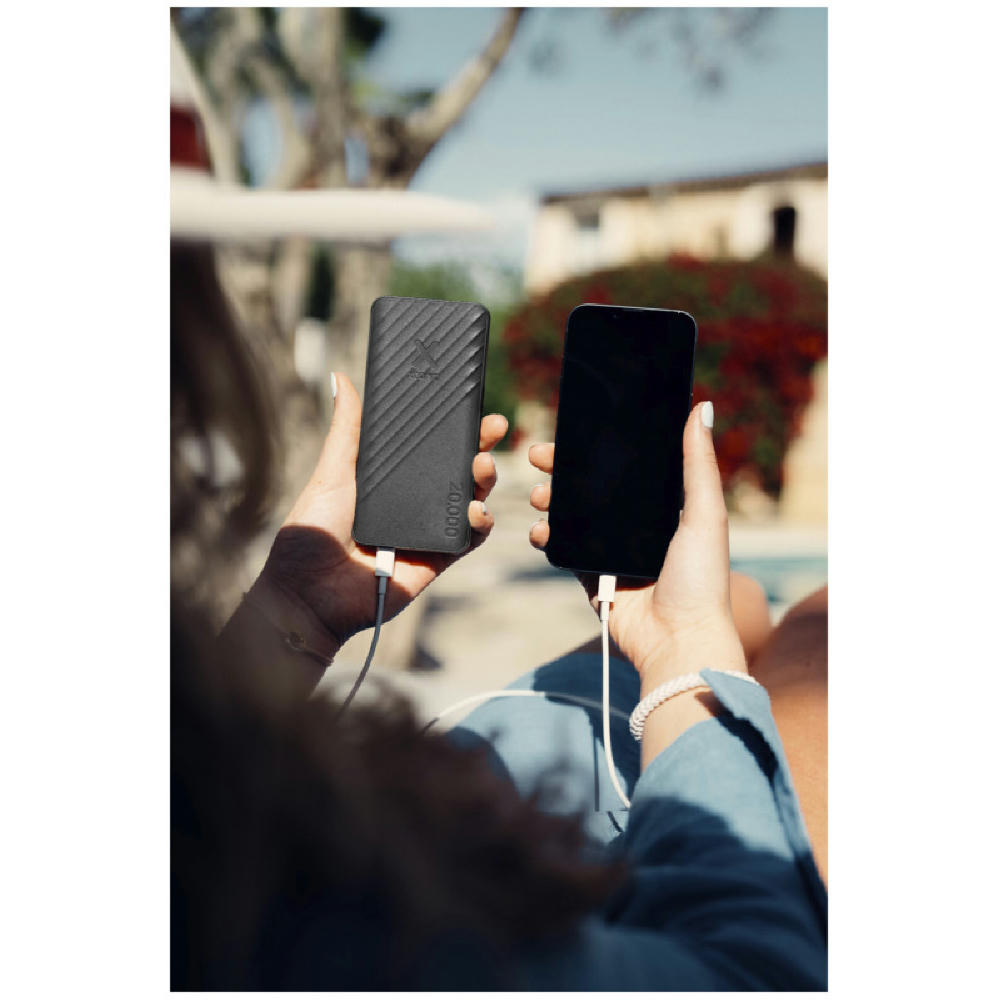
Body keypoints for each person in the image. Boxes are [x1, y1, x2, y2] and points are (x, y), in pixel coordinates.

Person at [171, 233, 828, 987]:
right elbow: (755, 973)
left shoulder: (195, 772)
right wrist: (683, 648)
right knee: (819, 623)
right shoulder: (340, 927)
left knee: (744, 599)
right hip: (498, 829)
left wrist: (298, 609)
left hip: (433, 783)